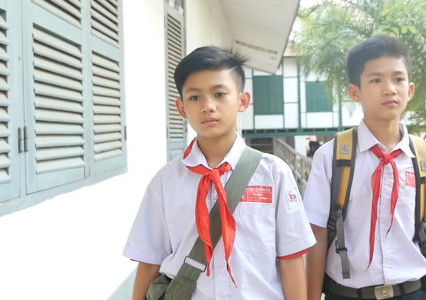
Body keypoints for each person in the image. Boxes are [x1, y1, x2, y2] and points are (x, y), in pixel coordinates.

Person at [123, 46, 315, 300]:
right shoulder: (165, 182)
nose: (208, 106)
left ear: (242, 101)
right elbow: (150, 262)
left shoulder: (273, 173)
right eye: (195, 97)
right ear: (181, 108)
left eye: (220, 94)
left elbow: (291, 257)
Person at [303, 35, 426, 300]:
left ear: (410, 90)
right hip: (346, 294)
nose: (390, 88)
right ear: (355, 92)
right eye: (376, 80)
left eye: (398, 79)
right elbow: (318, 236)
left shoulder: (425, 159)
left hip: (411, 292)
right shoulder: (331, 156)